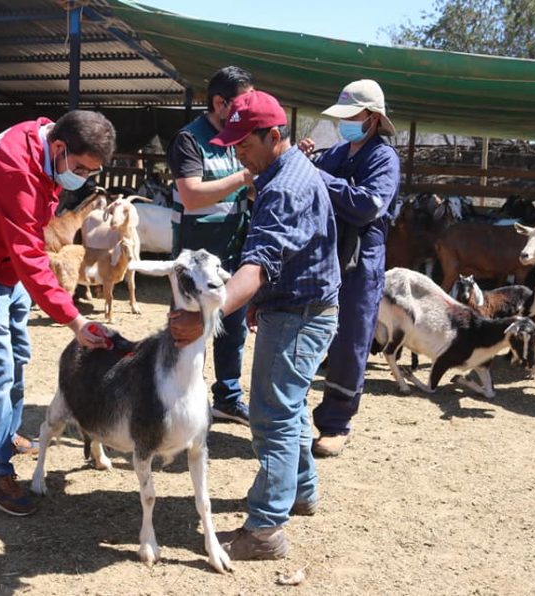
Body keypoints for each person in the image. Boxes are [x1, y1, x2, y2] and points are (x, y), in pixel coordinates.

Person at [170, 90, 341, 560]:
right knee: (289, 404)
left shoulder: (285, 185)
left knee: (272, 413)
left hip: (299, 314)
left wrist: (203, 316)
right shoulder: (284, 172)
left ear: (273, 135)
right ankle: (301, 491)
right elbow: (278, 260)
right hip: (302, 305)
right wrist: (257, 300)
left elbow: (258, 265)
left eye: (244, 143)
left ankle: (266, 530)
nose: (235, 151)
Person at [0, 110, 116, 518]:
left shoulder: (42, 140)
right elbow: (29, 254)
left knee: (18, 354)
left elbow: (26, 244)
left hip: (6, 264)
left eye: (92, 171)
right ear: (59, 148)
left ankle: (8, 434)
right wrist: (73, 318)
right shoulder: (14, 167)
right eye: (81, 168)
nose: (83, 179)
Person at [298, 80, 401, 458]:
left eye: (352, 117)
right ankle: (294, 414)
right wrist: (303, 161)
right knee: (311, 327)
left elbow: (368, 205)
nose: (345, 124)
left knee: (351, 338)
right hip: (326, 252)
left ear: (372, 119)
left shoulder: (383, 159)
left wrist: (317, 176)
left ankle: (335, 424)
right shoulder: (338, 152)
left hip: (362, 258)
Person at [166, 66, 255, 425]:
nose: (248, 110)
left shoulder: (238, 138)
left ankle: (228, 398)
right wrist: (244, 177)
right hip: (195, 261)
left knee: (232, 330)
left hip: (232, 252)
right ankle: (182, 402)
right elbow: (191, 195)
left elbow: (243, 193)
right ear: (220, 103)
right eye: (242, 103)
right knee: (189, 331)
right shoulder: (189, 139)